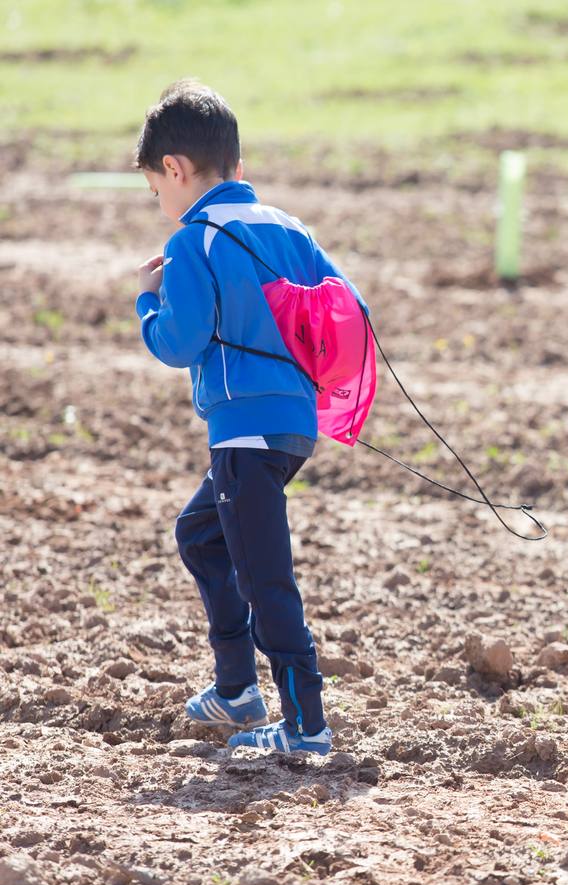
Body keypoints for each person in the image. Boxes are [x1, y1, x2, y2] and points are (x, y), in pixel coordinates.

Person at [132, 80, 360, 754]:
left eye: (155, 190)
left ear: (174, 170)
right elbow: (350, 310)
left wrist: (150, 300)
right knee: (201, 535)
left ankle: (306, 726)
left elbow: (179, 342)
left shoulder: (193, 239)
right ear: (239, 160)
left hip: (244, 435)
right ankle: (237, 689)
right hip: (293, 428)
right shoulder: (289, 227)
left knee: (265, 578)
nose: (160, 203)